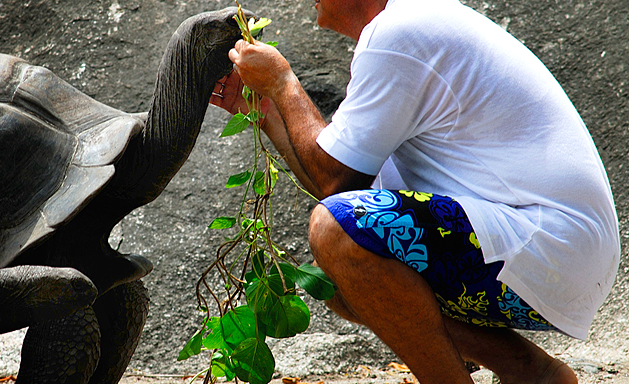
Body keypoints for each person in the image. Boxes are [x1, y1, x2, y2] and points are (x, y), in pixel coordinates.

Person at [208, 0, 620, 383]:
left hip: (550, 245)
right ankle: (530, 371)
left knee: (337, 233)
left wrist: (282, 83)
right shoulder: (403, 30)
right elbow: (336, 186)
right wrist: (266, 115)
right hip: (561, 251)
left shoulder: (396, 32)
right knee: (338, 271)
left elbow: (335, 185)